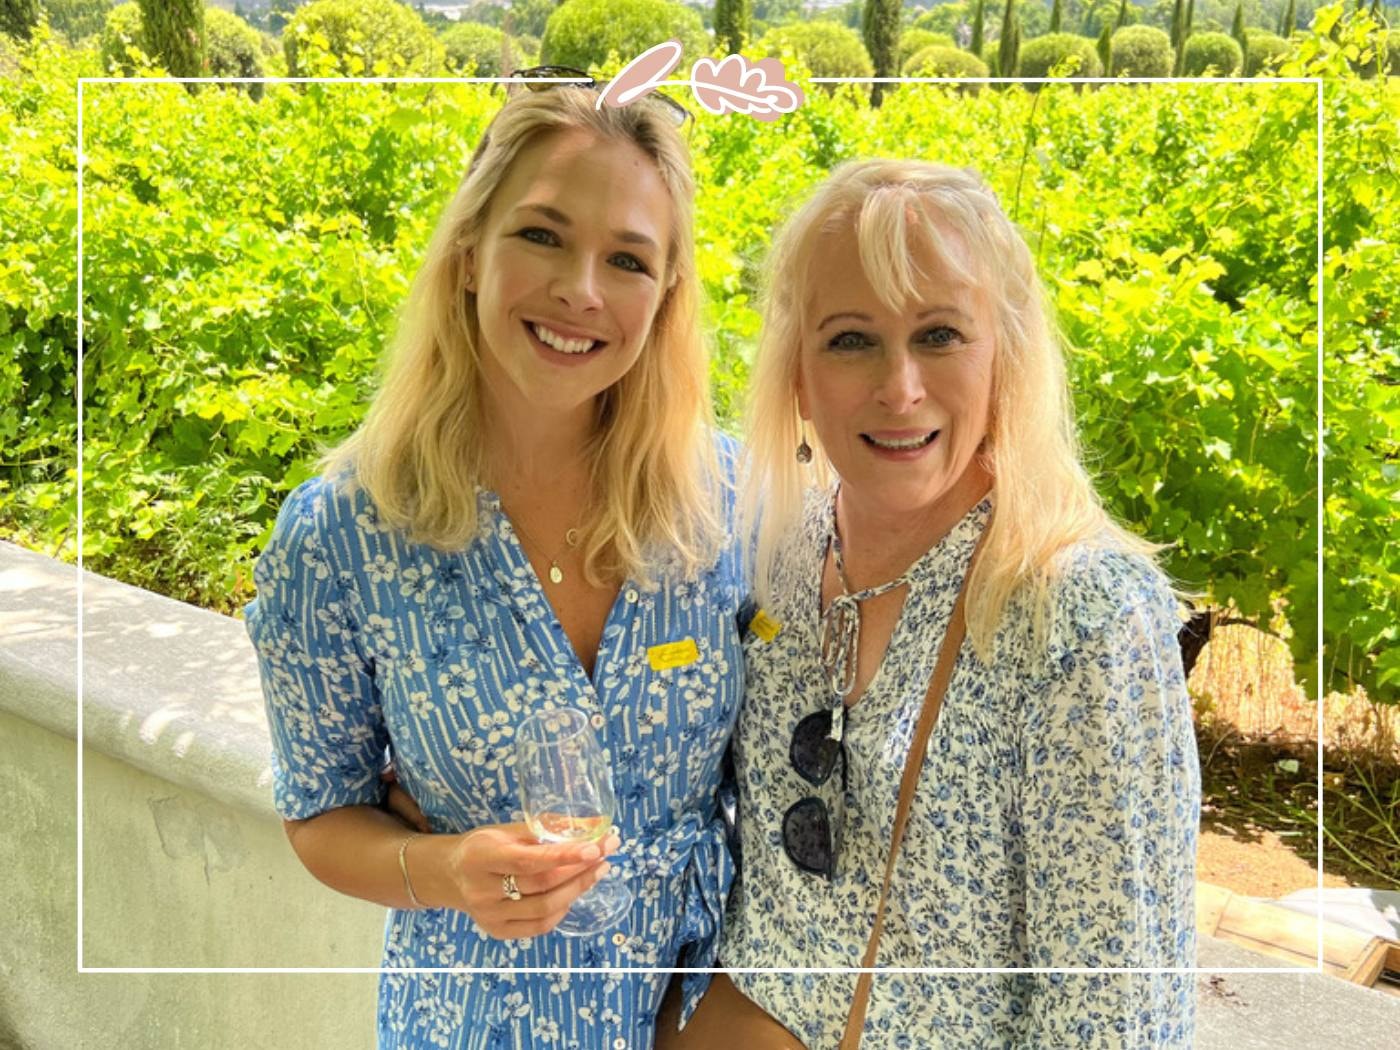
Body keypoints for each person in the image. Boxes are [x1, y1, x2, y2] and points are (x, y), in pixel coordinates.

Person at [245, 83, 746, 1050]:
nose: (582, 291)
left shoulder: (730, 503)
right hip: (472, 1023)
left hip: (702, 1020)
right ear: (470, 249)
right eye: (543, 236)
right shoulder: (342, 535)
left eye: (629, 259)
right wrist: (448, 869)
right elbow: (320, 814)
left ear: (666, 295)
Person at [708, 160, 1200, 1048]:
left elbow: (1116, 1016)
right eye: (852, 339)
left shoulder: (1076, 620)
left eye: (939, 335)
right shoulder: (772, 558)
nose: (900, 388)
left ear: (1003, 356)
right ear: (796, 374)